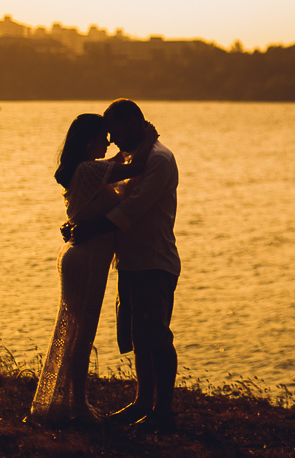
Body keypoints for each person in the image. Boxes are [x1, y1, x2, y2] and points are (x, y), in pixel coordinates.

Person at [30, 113, 158, 424]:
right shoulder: (89, 170)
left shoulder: (89, 168)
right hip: (86, 259)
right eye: (104, 138)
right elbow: (137, 167)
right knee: (81, 336)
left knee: (75, 332)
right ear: (90, 143)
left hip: (84, 256)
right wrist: (149, 138)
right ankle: (77, 407)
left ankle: (65, 402)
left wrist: (131, 144)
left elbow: (117, 160)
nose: (109, 143)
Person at [64, 98, 181, 433]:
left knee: (157, 335)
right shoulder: (131, 158)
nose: (112, 140)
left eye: (114, 131)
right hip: (129, 262)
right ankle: (142, 402)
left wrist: (88, 228)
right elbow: (100, 196)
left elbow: (132, 209)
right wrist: (78, 222)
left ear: (132, 124)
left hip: (152, 261)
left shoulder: (159, 159)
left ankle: (163, 410)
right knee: (138, 336)